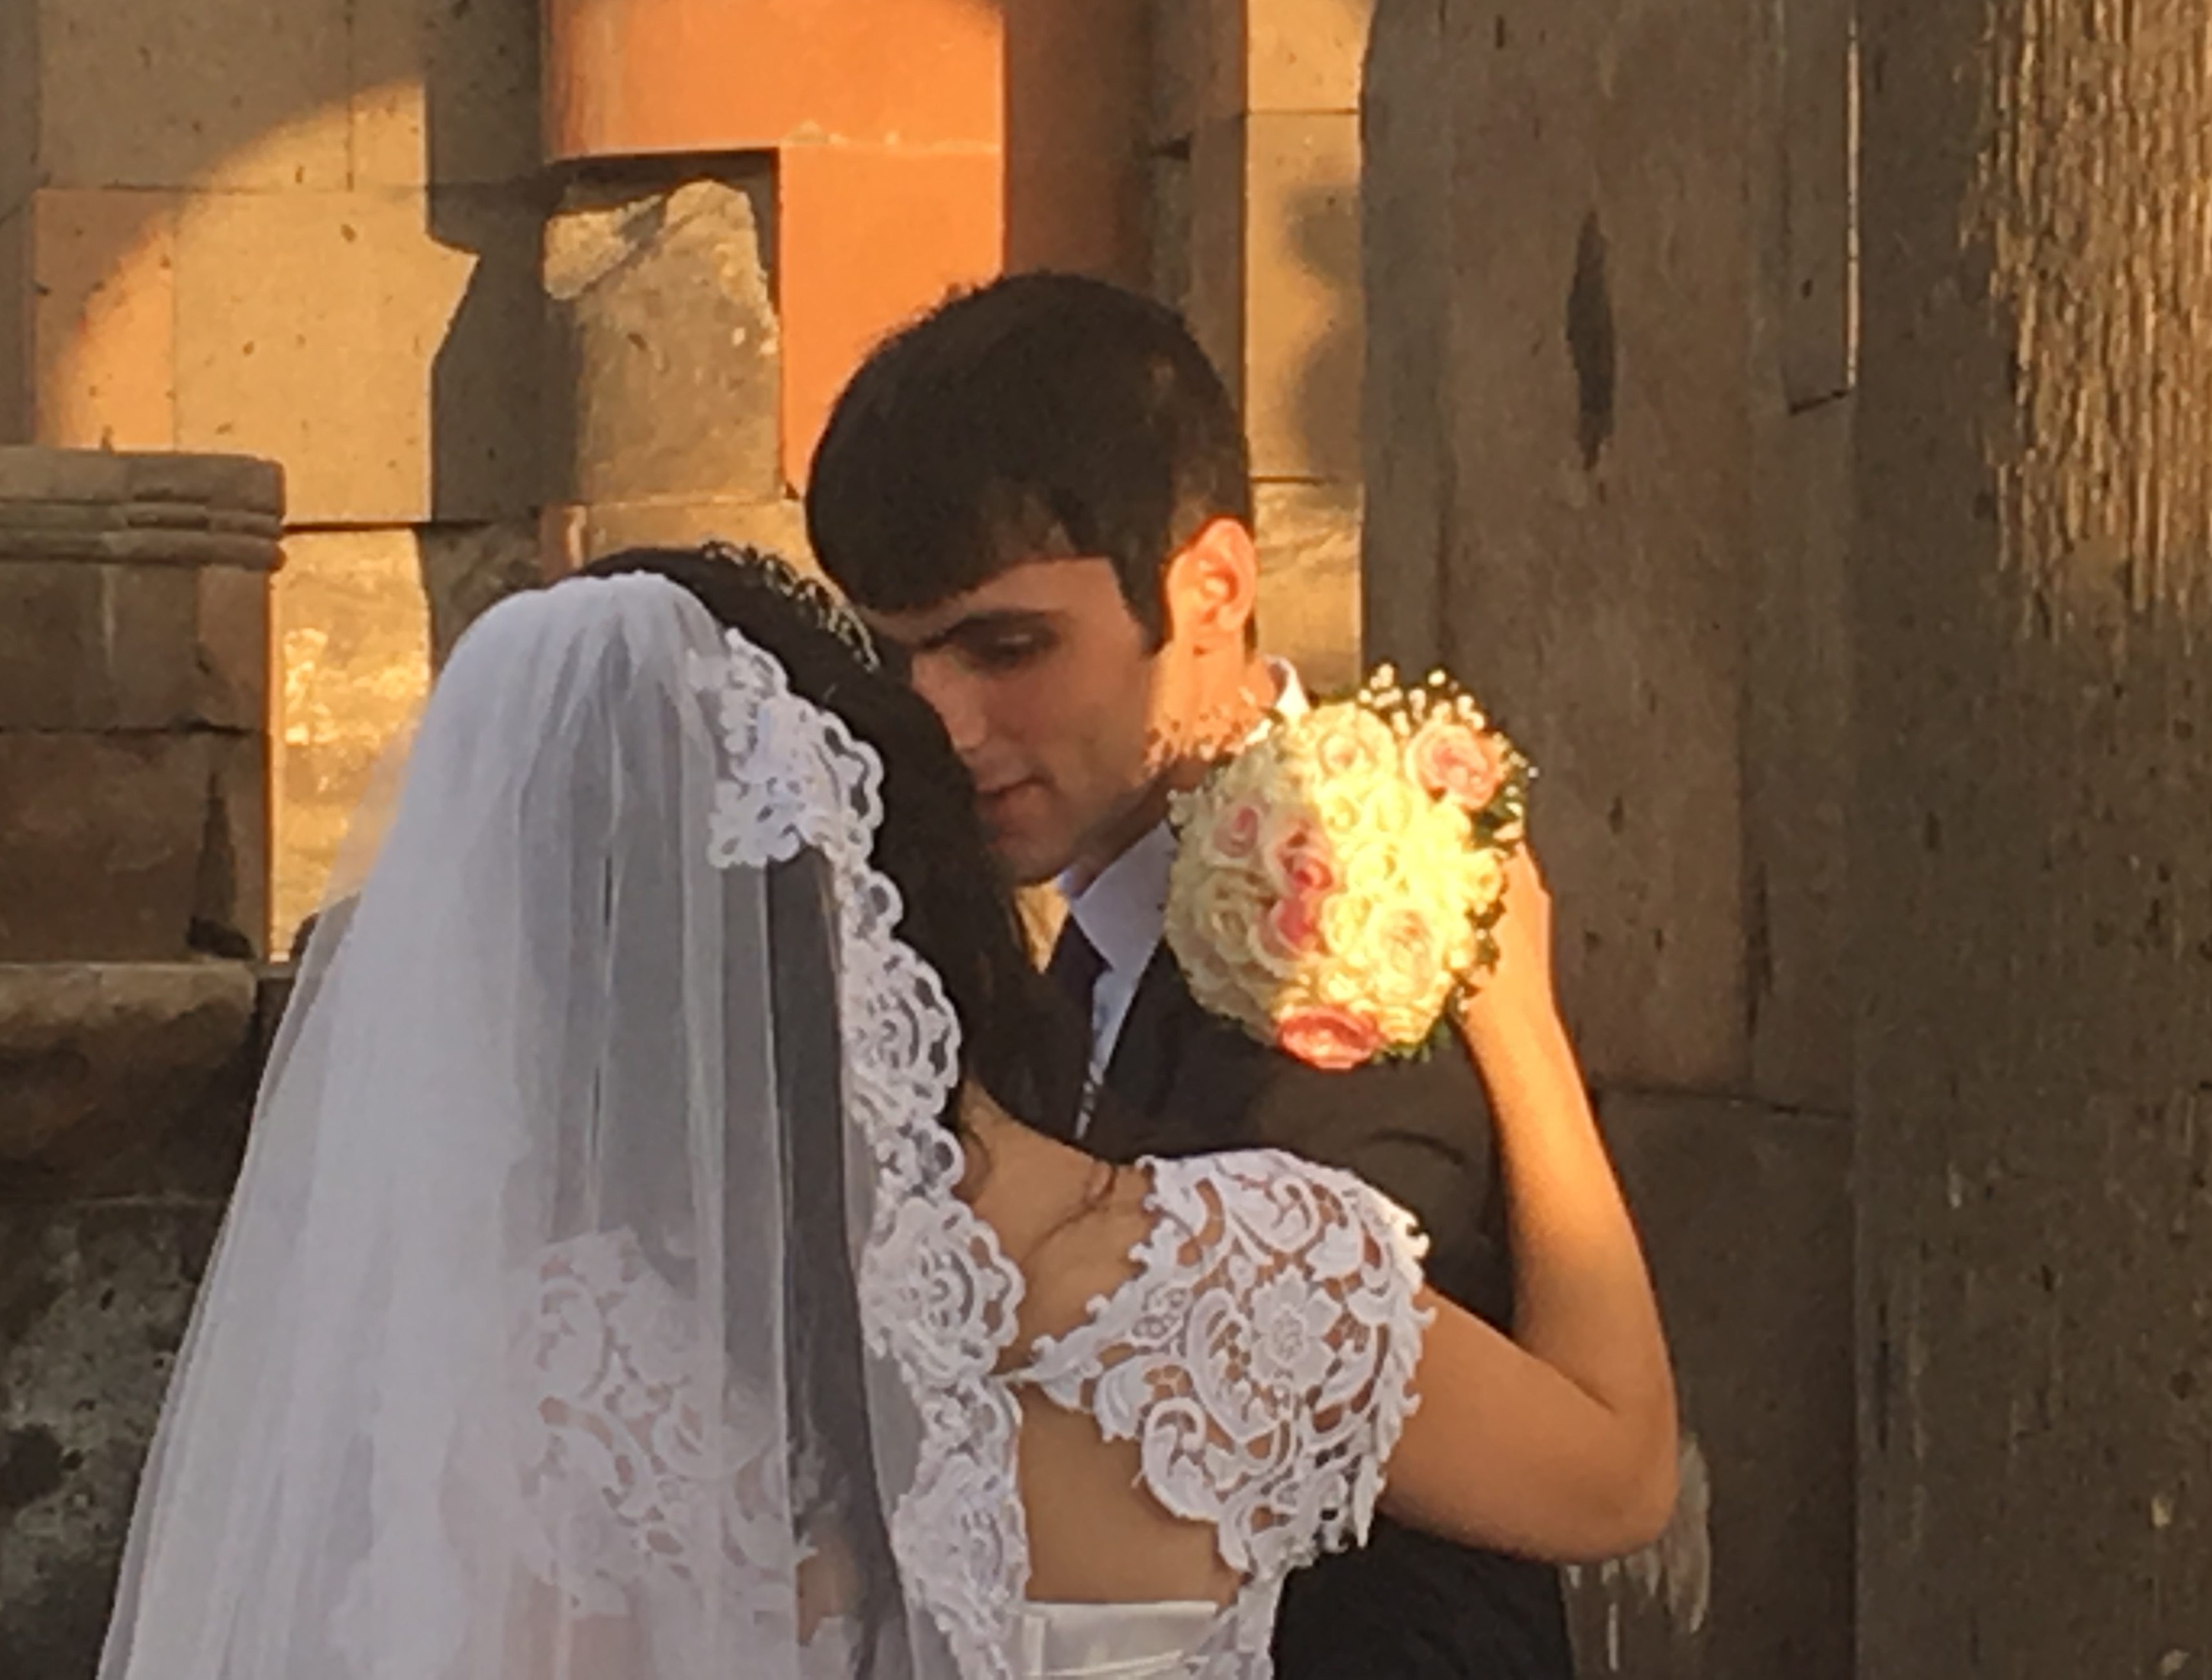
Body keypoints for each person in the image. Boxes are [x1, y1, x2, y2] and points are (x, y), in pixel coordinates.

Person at [94, 549, 1674, 1680]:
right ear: (910, 868)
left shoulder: (542, 1376)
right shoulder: (1260, 1275)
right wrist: (1516, 1021)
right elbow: (1616, 1475)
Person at [804, 273, 1577, 1678]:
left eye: (1008, 646)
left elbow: (1463, 1535)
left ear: (1210, 588)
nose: (940, 722)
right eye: (897, 658)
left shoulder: (1367, 951)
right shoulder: (1048, 964)